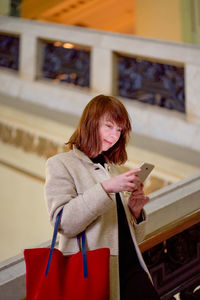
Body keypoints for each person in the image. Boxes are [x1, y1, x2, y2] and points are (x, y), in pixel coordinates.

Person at [44, 94, 160, 300]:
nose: (114, 135)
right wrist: (105, 189)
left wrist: (135, 211)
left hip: (130, 268)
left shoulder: (113, 169)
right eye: (108, 126)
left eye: (119, 130)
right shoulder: (60, 164)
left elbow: (134, 238)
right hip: (94, 272)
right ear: (90, 123)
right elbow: (63, 222)